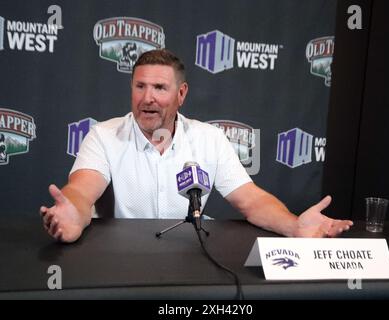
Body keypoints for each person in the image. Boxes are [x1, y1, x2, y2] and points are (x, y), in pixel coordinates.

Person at [40, 49, 353, 243]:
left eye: (160, 88)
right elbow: (81, 191)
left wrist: (295, 226)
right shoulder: (104, 135)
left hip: (187, 259)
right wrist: (72, 215)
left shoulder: (209, 139)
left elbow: (251, 201)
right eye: (140, 86)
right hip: (121, 260)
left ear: (181, 94)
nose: (147, 98)